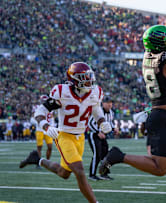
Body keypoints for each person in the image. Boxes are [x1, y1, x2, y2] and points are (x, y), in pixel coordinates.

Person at [99, 8, 166, 203]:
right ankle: (119, 156)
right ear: (160, 44)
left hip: (165, 117)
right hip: (160, 119)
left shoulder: (150, 56)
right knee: (160, 168)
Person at [19, 62, 112, 203]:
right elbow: (40, 111)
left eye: (89, 76)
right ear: (74, 79)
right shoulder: (63, 92)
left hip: (80, 137)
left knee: (64, 173)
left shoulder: (94, 92)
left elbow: (96, 110)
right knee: (80, 171)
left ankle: (36, 159)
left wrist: (102, 122)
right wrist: (45, 126)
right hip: (64, 136)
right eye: (84, 77)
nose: (89, 80)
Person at [88, 96, 118, 181]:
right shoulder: (98, 112)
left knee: (106, 156)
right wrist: (98, 132)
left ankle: (104, 173)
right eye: (108, 103)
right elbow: (90, 123)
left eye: (111, 103)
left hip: (103, 136)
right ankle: (92, 174)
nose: (110, 104)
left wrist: (113, 129)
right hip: (94, 135)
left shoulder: (111, 113)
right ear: (103, 103)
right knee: (97, 155)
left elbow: (109, 123)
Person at [31, 95, 55, 161]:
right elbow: (32, 118)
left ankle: (48, 161)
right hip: (40, 129)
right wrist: (39, 123)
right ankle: (39, 162)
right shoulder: (36, 107)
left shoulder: (51, 108)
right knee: (39, 147)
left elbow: (52, 118)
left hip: (47, 129)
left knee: (50, 147)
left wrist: (52, 126)